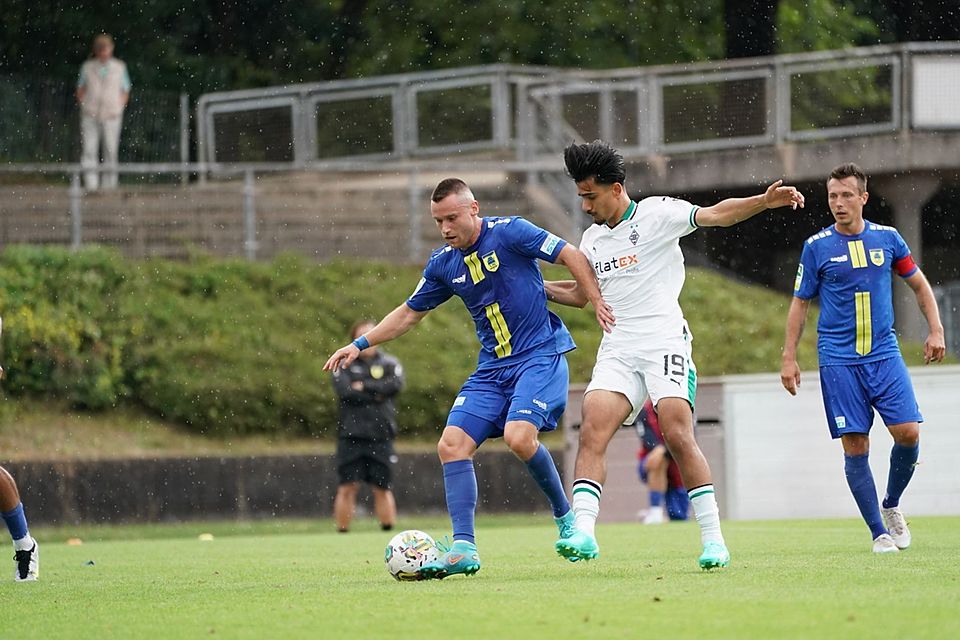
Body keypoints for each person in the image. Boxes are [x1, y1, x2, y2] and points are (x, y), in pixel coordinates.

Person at [324, 177, 613, 579]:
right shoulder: (444, 263)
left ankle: (566, 518)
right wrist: (359, 344)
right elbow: (409, 313)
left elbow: (570, 254)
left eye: (452, 218)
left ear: (473, 209)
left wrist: (594, 300)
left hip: (539, 357)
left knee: (518, 436)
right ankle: (464, 548)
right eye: (438, 220)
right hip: (492, 369)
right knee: (451, 444)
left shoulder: (511, 232)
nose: (445, 228)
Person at [545, 140, 804, 569]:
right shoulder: (591, 240)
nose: (585, 205)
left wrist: (763, 201)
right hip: (619, 346)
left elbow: (716, 215)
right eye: (580, 197)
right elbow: (580, 295)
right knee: (593, 427)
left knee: (677, 432)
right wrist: (536, 289)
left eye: (590, 196)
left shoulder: (657, 214)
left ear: (615, 188)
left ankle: (713, 539)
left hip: (665, 340)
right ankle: (586, 534)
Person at [780, 162, 945, 554]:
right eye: (833, 195)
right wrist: (789, 357)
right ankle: (878, 533)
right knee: (856, 445)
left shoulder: (888, 239)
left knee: (908, 433)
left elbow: (918, 284)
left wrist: (935, 329)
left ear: (863, 198)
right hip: (838, 360)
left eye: (846, 195)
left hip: (884, 354)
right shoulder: (817, 246)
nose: (838, 202)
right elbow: (800, 303)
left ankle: (890, 504)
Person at [331, 320, 404, 533]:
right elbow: (346, 392)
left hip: (381, 435)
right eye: (362, 335)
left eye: (371, 334)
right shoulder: (343, 364)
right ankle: (342, 532)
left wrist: (363, 386)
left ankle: (388, 530)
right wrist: (377, 393)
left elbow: (395, 385)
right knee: (348, 485)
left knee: (382, 487)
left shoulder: (390, 363)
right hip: (351, 435)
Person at [76, 33, 131, 191]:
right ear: (96, 51)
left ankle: (109, 185)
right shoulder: (87, 67)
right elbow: (80, 88)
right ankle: (91, 185)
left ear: (111, 49)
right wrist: (85, 105)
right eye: (100, 50)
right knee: (89, 149)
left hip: (112, 114)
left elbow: (125, 90)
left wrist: (119, 107)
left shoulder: (120, 67)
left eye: (106, 49)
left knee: (110, 149)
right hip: (90, 113)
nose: (103, 53)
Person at [635, 399, 688, 524]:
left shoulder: (682, 408)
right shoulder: (645, 411)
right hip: (650, 463)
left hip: (677, 468)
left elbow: (686, 440)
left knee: (679, 518)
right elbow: (647, 438)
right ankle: (655, 511)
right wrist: (659, 451)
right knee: (658, 460)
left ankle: (656, 516)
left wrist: (664, 450)